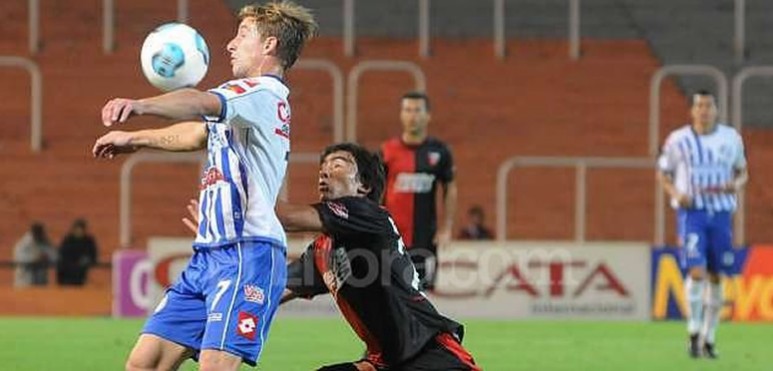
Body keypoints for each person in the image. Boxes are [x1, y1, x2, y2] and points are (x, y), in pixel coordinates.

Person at [92, 2, 317, 370]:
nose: (230, 44)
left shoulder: (262, 92)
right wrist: (134, 139)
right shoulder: (248, 103)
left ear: (270, 45)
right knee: (145, 363)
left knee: (215, 366)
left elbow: (199, 103)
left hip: (247, 252)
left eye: (243, 34)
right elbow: (199, 133)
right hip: (209, 255)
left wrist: (139, 105)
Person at [185, 143, 478, 370]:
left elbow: (283, 217)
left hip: (434, 356)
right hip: (385, 363)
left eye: (337, 165)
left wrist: (223, 208)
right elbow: (267, 291)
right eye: (323, 167)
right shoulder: (322, 251)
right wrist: (226, 252)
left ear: (363, 186)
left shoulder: (370, 215)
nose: (324, 172)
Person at [657, 90, 748, 359]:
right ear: (693, 111)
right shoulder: (678, 140)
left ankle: (710, 337)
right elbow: (663, 173)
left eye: (709, 106)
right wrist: (677, 194)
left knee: (717, 276)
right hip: (692, 213)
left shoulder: (731, 138)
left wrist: (735, 184)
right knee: (696, 272)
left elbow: (743, 171)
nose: (704, 111)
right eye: (700, 106)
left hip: (721, 214)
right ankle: (694, 331)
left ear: (716, 110)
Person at [379, 92, 457, 291]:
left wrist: (446, 227)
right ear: (401, 114)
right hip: (391, 237)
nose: (412, 116)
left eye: (417, 110)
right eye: (407, 110)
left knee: (421, 294)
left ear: (427, 115)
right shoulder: (387, 151)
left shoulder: (440, 152)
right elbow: (375, 191)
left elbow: (449, 188)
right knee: (390, 292)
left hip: (425, 238)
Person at [57, 219, 99, 286]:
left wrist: (87, 260)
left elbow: (93, 254)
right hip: (66, 270)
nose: (78, 232)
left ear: (84, 230)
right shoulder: (68, 240)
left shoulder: (89, 241)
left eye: (80, 230)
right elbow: (62, 253)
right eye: (77, 229)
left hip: (80, 271)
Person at [13, 222, 56, 287]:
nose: (39, 236)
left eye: (40, 234)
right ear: (33, 233)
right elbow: (21, 260)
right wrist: (36, 258)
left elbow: (54, 256)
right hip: (25, 282)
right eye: (37, 234)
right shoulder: (22, 244)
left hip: (41, 281)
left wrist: (46, 257)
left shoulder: (45, 242)